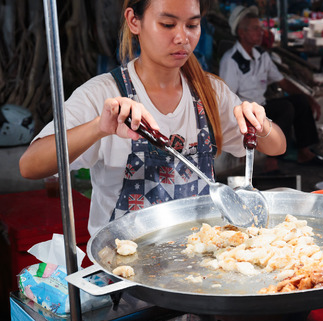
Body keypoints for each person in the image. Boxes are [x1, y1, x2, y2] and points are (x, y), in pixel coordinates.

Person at [19, 0, 286, 236]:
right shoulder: (102, 94)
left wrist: (261, 124)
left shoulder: (210, 92)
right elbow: (30, 166)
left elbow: (277, 146)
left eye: (192, 25)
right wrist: (98, 127)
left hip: (201, 259)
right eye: (168, 24)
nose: (182, 38)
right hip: (125, 268)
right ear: (134, 21)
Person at [219, 5, 323, 171]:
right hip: (246, 115)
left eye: (260, 27)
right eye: (255, 29)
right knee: (286, 108)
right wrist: (237, 134)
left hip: (261, 109)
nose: (261, 32)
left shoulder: (262, 56)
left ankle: (304, 152)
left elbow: (283, 82)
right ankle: (272, 162)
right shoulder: (231, 61)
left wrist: (310, 99)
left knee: (299, 100)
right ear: (242, 33)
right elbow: (227, 100)